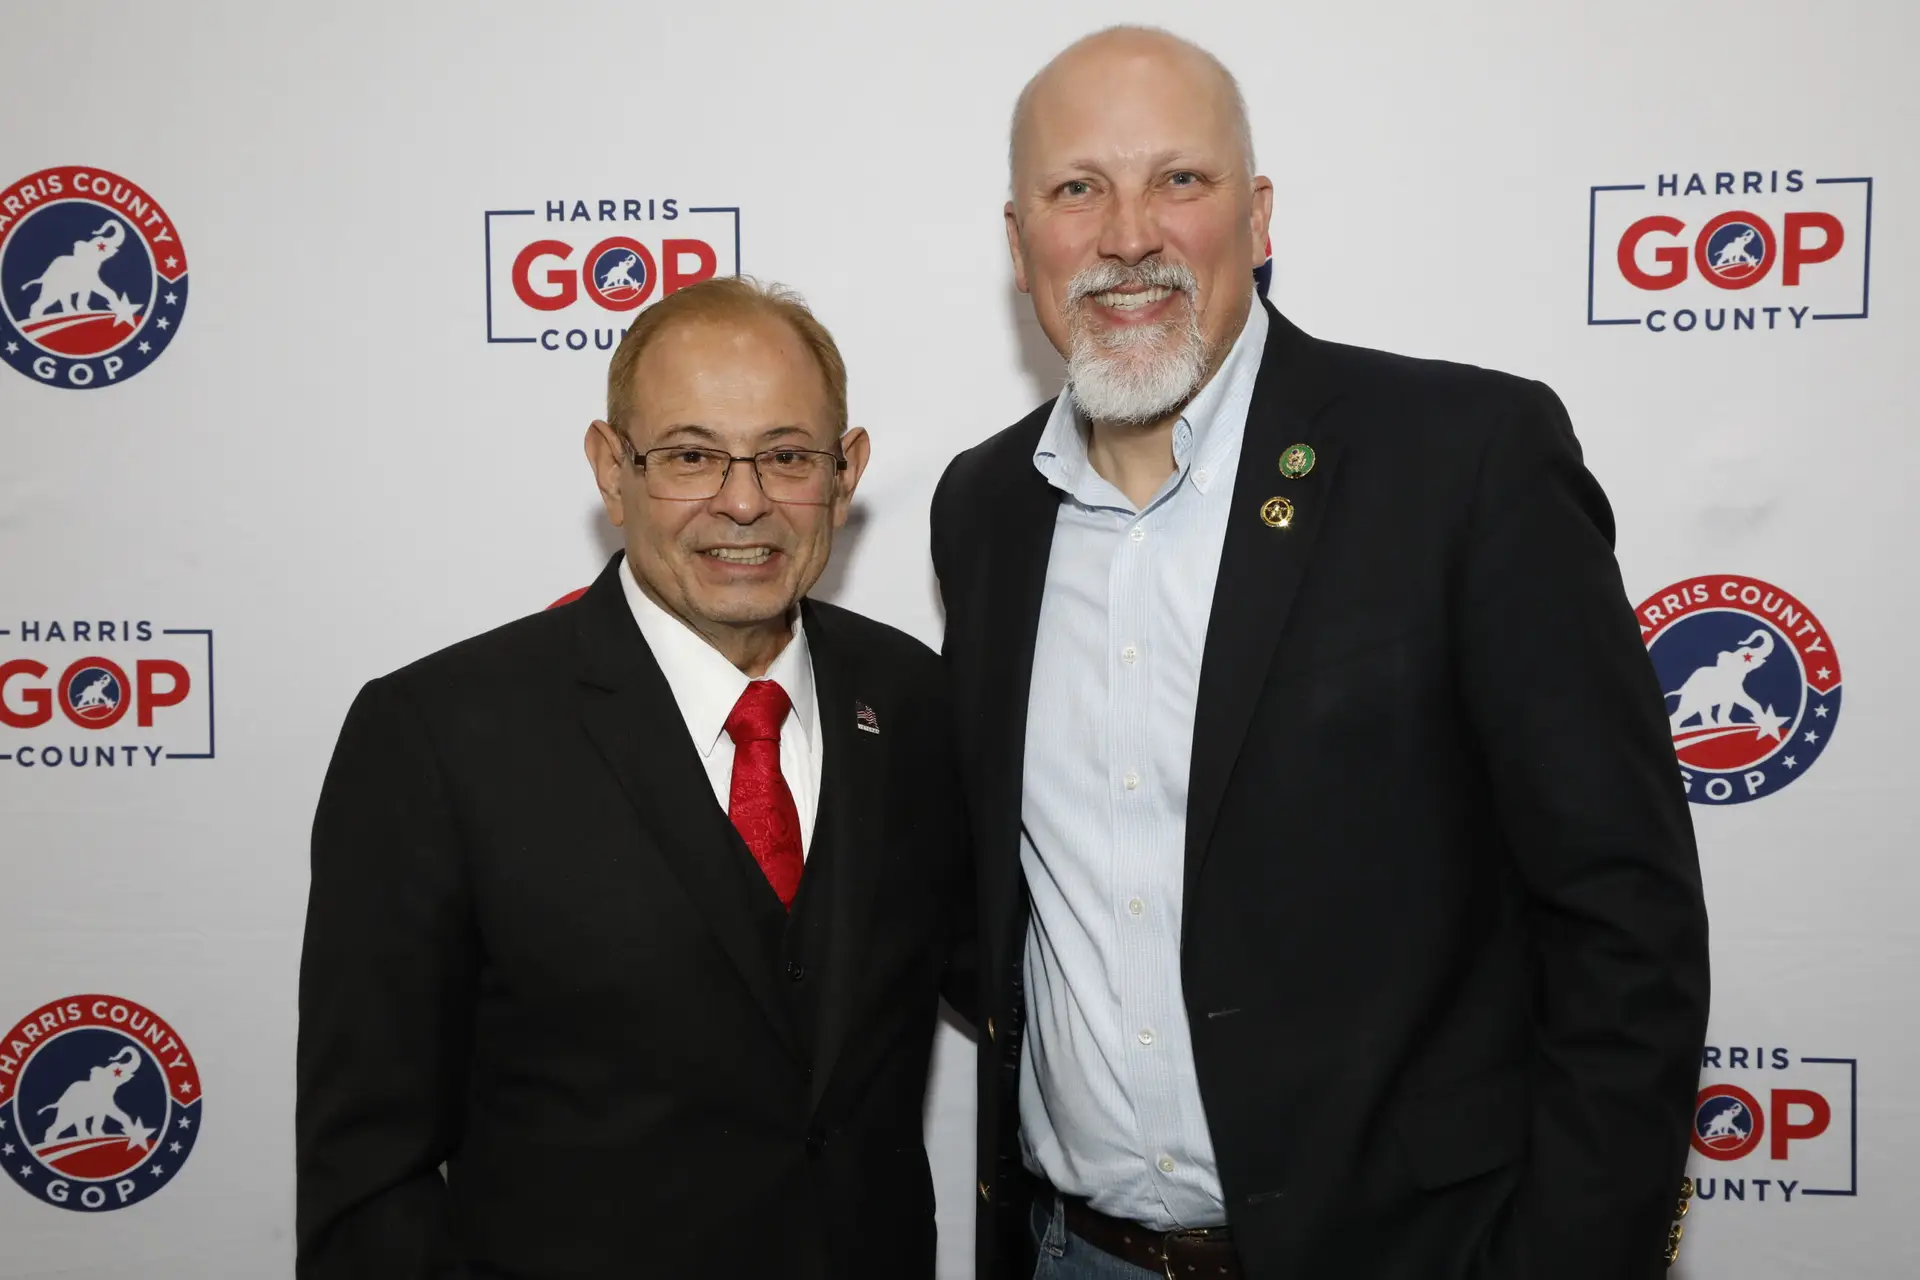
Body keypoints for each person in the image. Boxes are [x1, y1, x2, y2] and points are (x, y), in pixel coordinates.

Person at [931, 26, 1710, 1280]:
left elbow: (1627, 919)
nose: (1128, 234)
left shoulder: (1465, 458)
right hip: (1079, 1253)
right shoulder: (985, 507)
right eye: (1078, 188)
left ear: (1258, 216)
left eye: (1179, 179)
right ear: (1021, 244)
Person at [297, 276, 970, 1279]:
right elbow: (367, 1183)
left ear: (846, 473)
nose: (743, 501)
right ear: (613, 471)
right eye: (692, 456)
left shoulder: (913, 699)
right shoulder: (437, 737)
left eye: (787, 455)